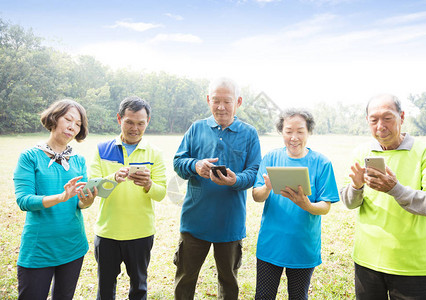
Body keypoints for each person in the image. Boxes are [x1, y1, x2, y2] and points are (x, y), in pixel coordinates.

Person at [340, 94, 426, 300]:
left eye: (387, 118)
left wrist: (395, 189)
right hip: (366, 261)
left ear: (402, 117)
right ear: (367, 122)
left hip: (412, 266)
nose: (380, 125)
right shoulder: (362, 152)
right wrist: (356, 186)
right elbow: (349, 202)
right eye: (374, 120)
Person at [173, 77, 261, 299]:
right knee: (185, 279)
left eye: (227, 101)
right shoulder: (196, 129)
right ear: (208, 100)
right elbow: (178, 162)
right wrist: (195, 165)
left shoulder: (250, 134)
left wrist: (235, 180)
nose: (221, 107)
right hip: (194, 222)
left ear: (238, 101)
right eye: (215, 100)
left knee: (228, 281)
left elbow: (254, 173)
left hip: (230, 223)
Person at [252, 109, 340, 299]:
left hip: (303, 247)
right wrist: (267, 188)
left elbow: (325, 206)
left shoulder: (322, 163)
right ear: (281, 132)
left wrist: (306, 204)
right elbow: (256, 196)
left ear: (309, 132)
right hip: (271, 245)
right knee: (263, 296)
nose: (294, 137)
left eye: (300, 131)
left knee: (298, 296)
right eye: (288, 131)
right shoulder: (271, 158)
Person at [13, 99, 97, 300]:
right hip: (39, 248)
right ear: (53, 118)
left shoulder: (78, 160)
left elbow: (80, 203)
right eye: (68, 119)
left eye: (78, 124)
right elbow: (24, 200)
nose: (72, 127)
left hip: (73, 246)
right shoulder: (30, 157)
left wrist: (88, 199)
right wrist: (60, 197)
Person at [89, 96, 167, 300]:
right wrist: (113, 178)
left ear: (147, 121)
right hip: (107, 232)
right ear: (119, 119)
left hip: (141, 233)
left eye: (141, 123)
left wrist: (149, 185)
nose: (135, 128)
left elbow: (161, 193)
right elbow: (94, 190)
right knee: (105, 288)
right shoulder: (101, 149)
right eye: (129, 122)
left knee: (139, 287)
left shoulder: (155, 153)